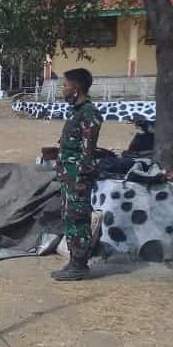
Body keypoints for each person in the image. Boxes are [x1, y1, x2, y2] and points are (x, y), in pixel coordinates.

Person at [52, 68, 102, 281]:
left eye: (66, 85)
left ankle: (80, 265)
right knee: (70, 217)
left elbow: (88, 150)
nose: (63, 88)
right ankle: (75, 261)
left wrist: (81, 178)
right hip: (68, 175)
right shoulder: (76, 111)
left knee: (78, 218)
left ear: (76, 88)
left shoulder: (88, 113)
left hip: (78, 177)